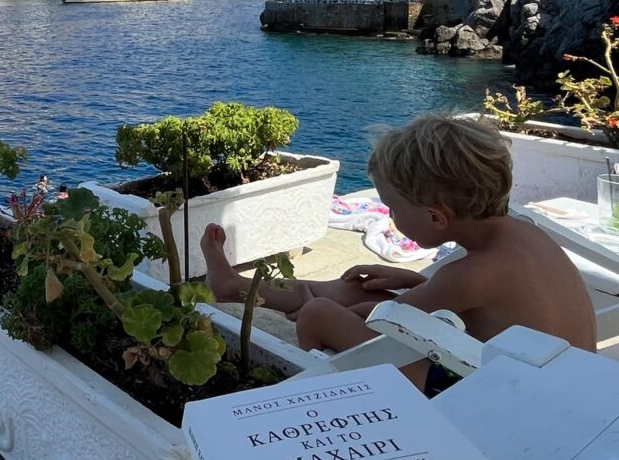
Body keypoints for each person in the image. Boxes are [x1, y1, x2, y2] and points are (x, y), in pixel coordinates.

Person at [200, 113, 597, 395]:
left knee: (322, 314)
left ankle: (330, 397)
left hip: (500, 403)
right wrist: (417, 282)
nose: (389, 216)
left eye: (392, 207)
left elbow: (380, 325)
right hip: (548, 385)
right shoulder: (520, 238)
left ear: (435, 217)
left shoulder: (472, 273)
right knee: (360, 291)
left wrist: (317, 308)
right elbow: (492, 308)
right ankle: (235, 286)